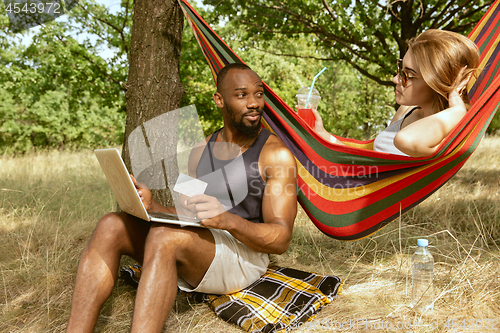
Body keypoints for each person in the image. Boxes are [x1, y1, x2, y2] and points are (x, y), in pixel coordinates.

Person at [66, 63, 298, 332]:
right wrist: (153, 206)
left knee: (164, 237)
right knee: (110, 225)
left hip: (245, 256)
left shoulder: (276, 155)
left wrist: (228, 220)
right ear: (219, 100)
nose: (254, 103)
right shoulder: (200, 150)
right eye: (242, 95)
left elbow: (281, 239)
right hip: (203, 244)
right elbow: (187, 216)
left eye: (258, 94)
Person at [310, 29, 480, 157]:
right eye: (400, 69)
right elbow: (372, 159)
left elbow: (406, 140)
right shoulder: (406, 110)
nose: (395, 79)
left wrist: (457, 111)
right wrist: (324, 135)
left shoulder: (448, 130)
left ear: (436, 84)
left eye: (408, 75)